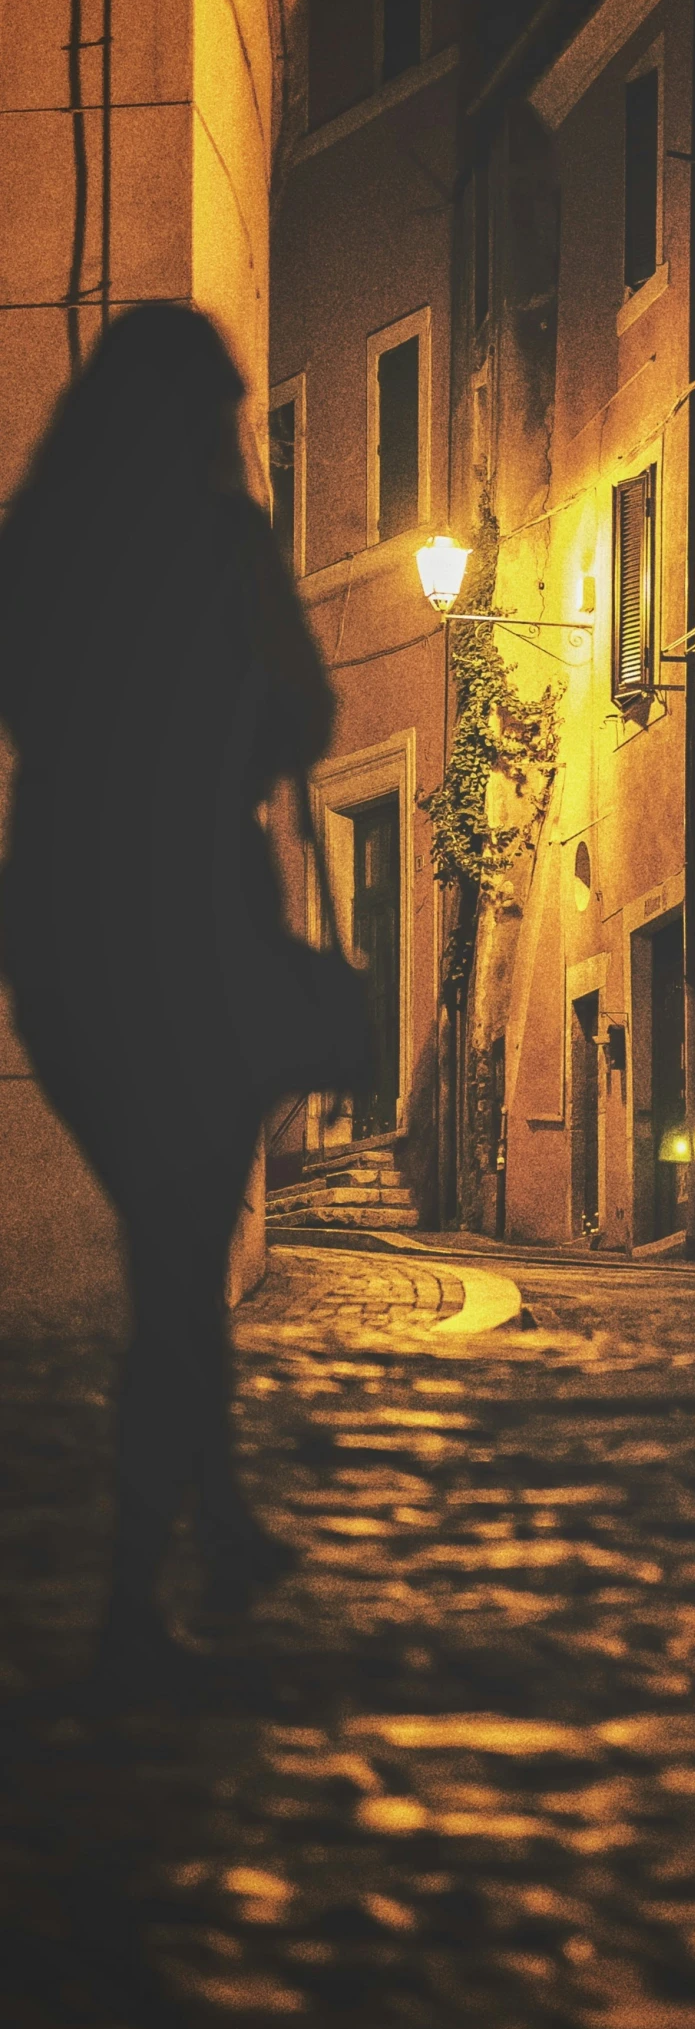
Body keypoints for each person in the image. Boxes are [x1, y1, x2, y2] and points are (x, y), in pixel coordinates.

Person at [0, 304, 335, 1687]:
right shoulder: (220, 539)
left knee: (172, 1235)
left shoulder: (36, 543)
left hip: (63, 927)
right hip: (193, 926)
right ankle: (137, 1588)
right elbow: (307, 718)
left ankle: (225, 1517)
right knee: (180, 1258)